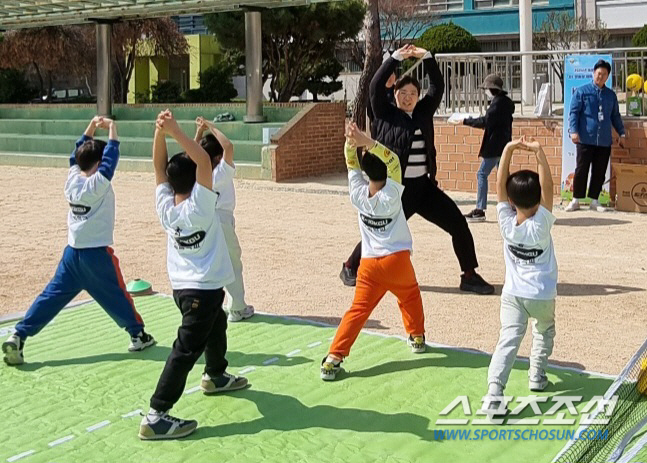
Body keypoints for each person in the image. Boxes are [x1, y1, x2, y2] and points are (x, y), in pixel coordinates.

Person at [340, 44, 494, 295]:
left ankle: (469, 275)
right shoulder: (385, 113)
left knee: (458, 224)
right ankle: (350, 266)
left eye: (413, 93)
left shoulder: (423, 113)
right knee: (382, 229)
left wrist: (427, 57)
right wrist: (396, 57)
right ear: (396, 94)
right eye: (403, 92)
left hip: (424, 187)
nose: (408, 97)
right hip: (396, 189)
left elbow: (438, 87)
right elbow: (375, 87)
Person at [2, 117, 155, 366]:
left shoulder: (71, 179)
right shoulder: (98, 183)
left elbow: (77, 153)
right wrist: (113, 128)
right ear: (96, 164)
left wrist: (92, 126)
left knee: (49, 298)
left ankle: (19, 334)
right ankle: (138, 335)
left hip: (71, 255)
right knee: (117, 295)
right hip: (97, 255)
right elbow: (111, 157)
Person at [140, 110, 247, 440]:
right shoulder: (202, 204)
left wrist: (160, 133)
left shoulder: (166, 205)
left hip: (188, 288)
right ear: (199, 179)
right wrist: (175, 132)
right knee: (185, 350)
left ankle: (216, 374)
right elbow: (202, 159)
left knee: (217, 325)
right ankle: (157, 413)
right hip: (201, 289)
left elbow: (158, 166)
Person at [322, 122, 426, 382]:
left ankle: (333, 359)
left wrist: (351, 141)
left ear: (367, 171)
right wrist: (365, 141)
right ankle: (416, 337)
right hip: (397, 260)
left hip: (368, 265)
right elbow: (392, 161)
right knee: (410, 295)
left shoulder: (357, 193)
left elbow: (350, 163)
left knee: (357, 312)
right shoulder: (392, 191)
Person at [483, 136, 557, 414]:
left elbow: (500, 185)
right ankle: (537, 377)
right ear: (538, 198)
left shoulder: (505, 223)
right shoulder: (542, 225)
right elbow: (548, 186)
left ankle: (494, 393)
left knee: (508, 340)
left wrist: (507, 149)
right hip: (542, 295)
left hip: (513, 296)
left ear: (511, 201)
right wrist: (539, 154)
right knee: (544, 331)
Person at [195, 117, 254, 322]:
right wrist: (210, 125)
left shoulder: (199, 172)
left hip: (204, 220)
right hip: (222, 219)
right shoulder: (220, 171)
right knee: (232, 263)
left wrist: (199, 133)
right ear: (218, 156)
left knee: (210, 263)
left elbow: (194, 152)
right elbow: (228, 145)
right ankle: (237, 307)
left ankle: (209, 305)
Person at [452, 74, 515, 222]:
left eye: (487, 89)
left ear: (492, 89)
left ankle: (480, 209)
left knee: (482, 174)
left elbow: (485, 121)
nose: (486, 91)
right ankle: (512, 205)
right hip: (504, 144)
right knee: (503, 176)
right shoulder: (507, 103)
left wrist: (465, 121)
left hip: (494, 145)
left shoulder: (497, 104)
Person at [565, 59, 625, 213]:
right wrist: (573, 131)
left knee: (599, 171)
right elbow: (573, 113)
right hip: (585, 138)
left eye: (604, 74)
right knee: (581, 169)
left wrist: (621, 132)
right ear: (593, 73)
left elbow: (615, 116)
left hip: (604, 140)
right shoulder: (582, 92)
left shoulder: (610, 95)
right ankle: (576, 200)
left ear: (608, 77)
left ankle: (595, 200)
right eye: (599, 73)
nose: (601, 77)